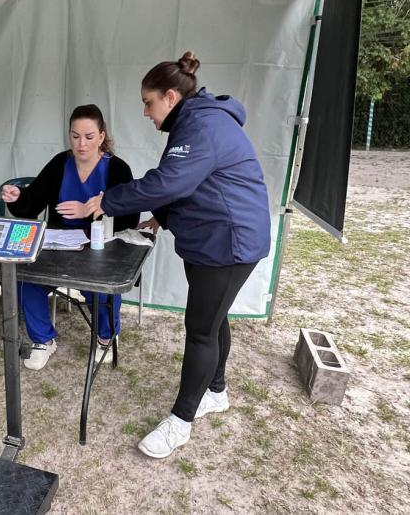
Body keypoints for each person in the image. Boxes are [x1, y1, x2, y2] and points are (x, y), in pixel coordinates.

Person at [76, 52, 271, 458]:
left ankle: (180, 423)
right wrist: (160, 218)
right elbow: (186, 185)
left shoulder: (203, 124)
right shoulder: (194, 122)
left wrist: (107, 200)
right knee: (213, 320)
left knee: (200, 329)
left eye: (148, 103)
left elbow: (171, 180)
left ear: (169, 96)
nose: (145, 112)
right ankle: (215, 392)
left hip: (228, 242)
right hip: (214, 237)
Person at [1, 105, 139, 370]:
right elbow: (33, 202)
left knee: (99, 287)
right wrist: (18, 197)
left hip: (100, 247)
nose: (81, 144)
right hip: (59, 245)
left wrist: (91, 209)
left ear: (101, 136)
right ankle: (43, 340)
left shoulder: (117, 169)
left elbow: (129, 218)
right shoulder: (59, 164)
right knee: (27, 278)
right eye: (75, 136)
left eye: (88, 136)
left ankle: (106, 336)